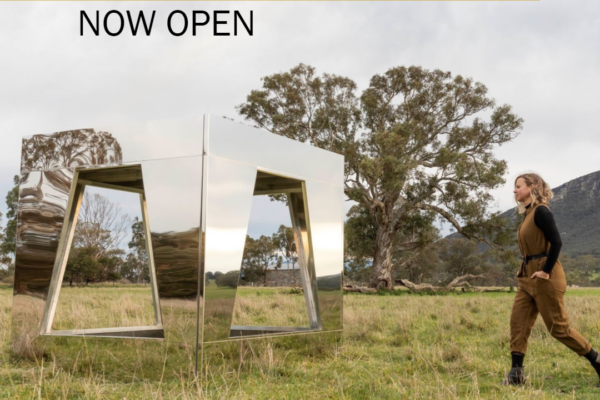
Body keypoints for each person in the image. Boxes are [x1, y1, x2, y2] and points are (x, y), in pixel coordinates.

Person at [504, 173, 600, 386]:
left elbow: (556, 243)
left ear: (532, 187)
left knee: (558, 328)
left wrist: (546, 271)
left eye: (518, 186)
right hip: (528, 277)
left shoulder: (541, 212)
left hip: (546, 277)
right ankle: (516, 375)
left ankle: (597, 361)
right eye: (515, 187)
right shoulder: (527, 213)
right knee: (517, 324)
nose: (515, 190)